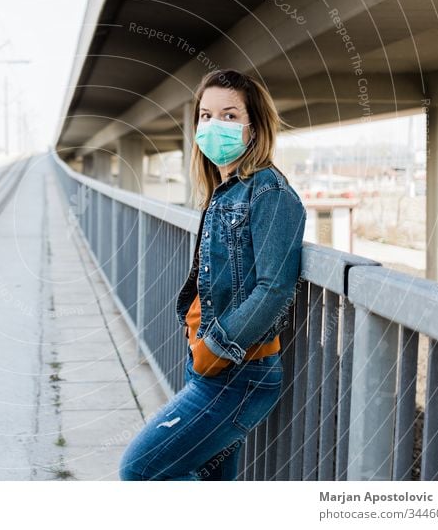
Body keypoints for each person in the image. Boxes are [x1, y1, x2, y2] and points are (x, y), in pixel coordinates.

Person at [118, 68, 307, 481]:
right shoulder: (225, 190)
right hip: (211, 365)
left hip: (237, 373)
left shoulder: (270, 193)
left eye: (229, 116)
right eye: (205, 116)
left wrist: (217, 348)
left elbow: (274, 287)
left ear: (254, 127)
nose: (212, 126)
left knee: (141, 470)